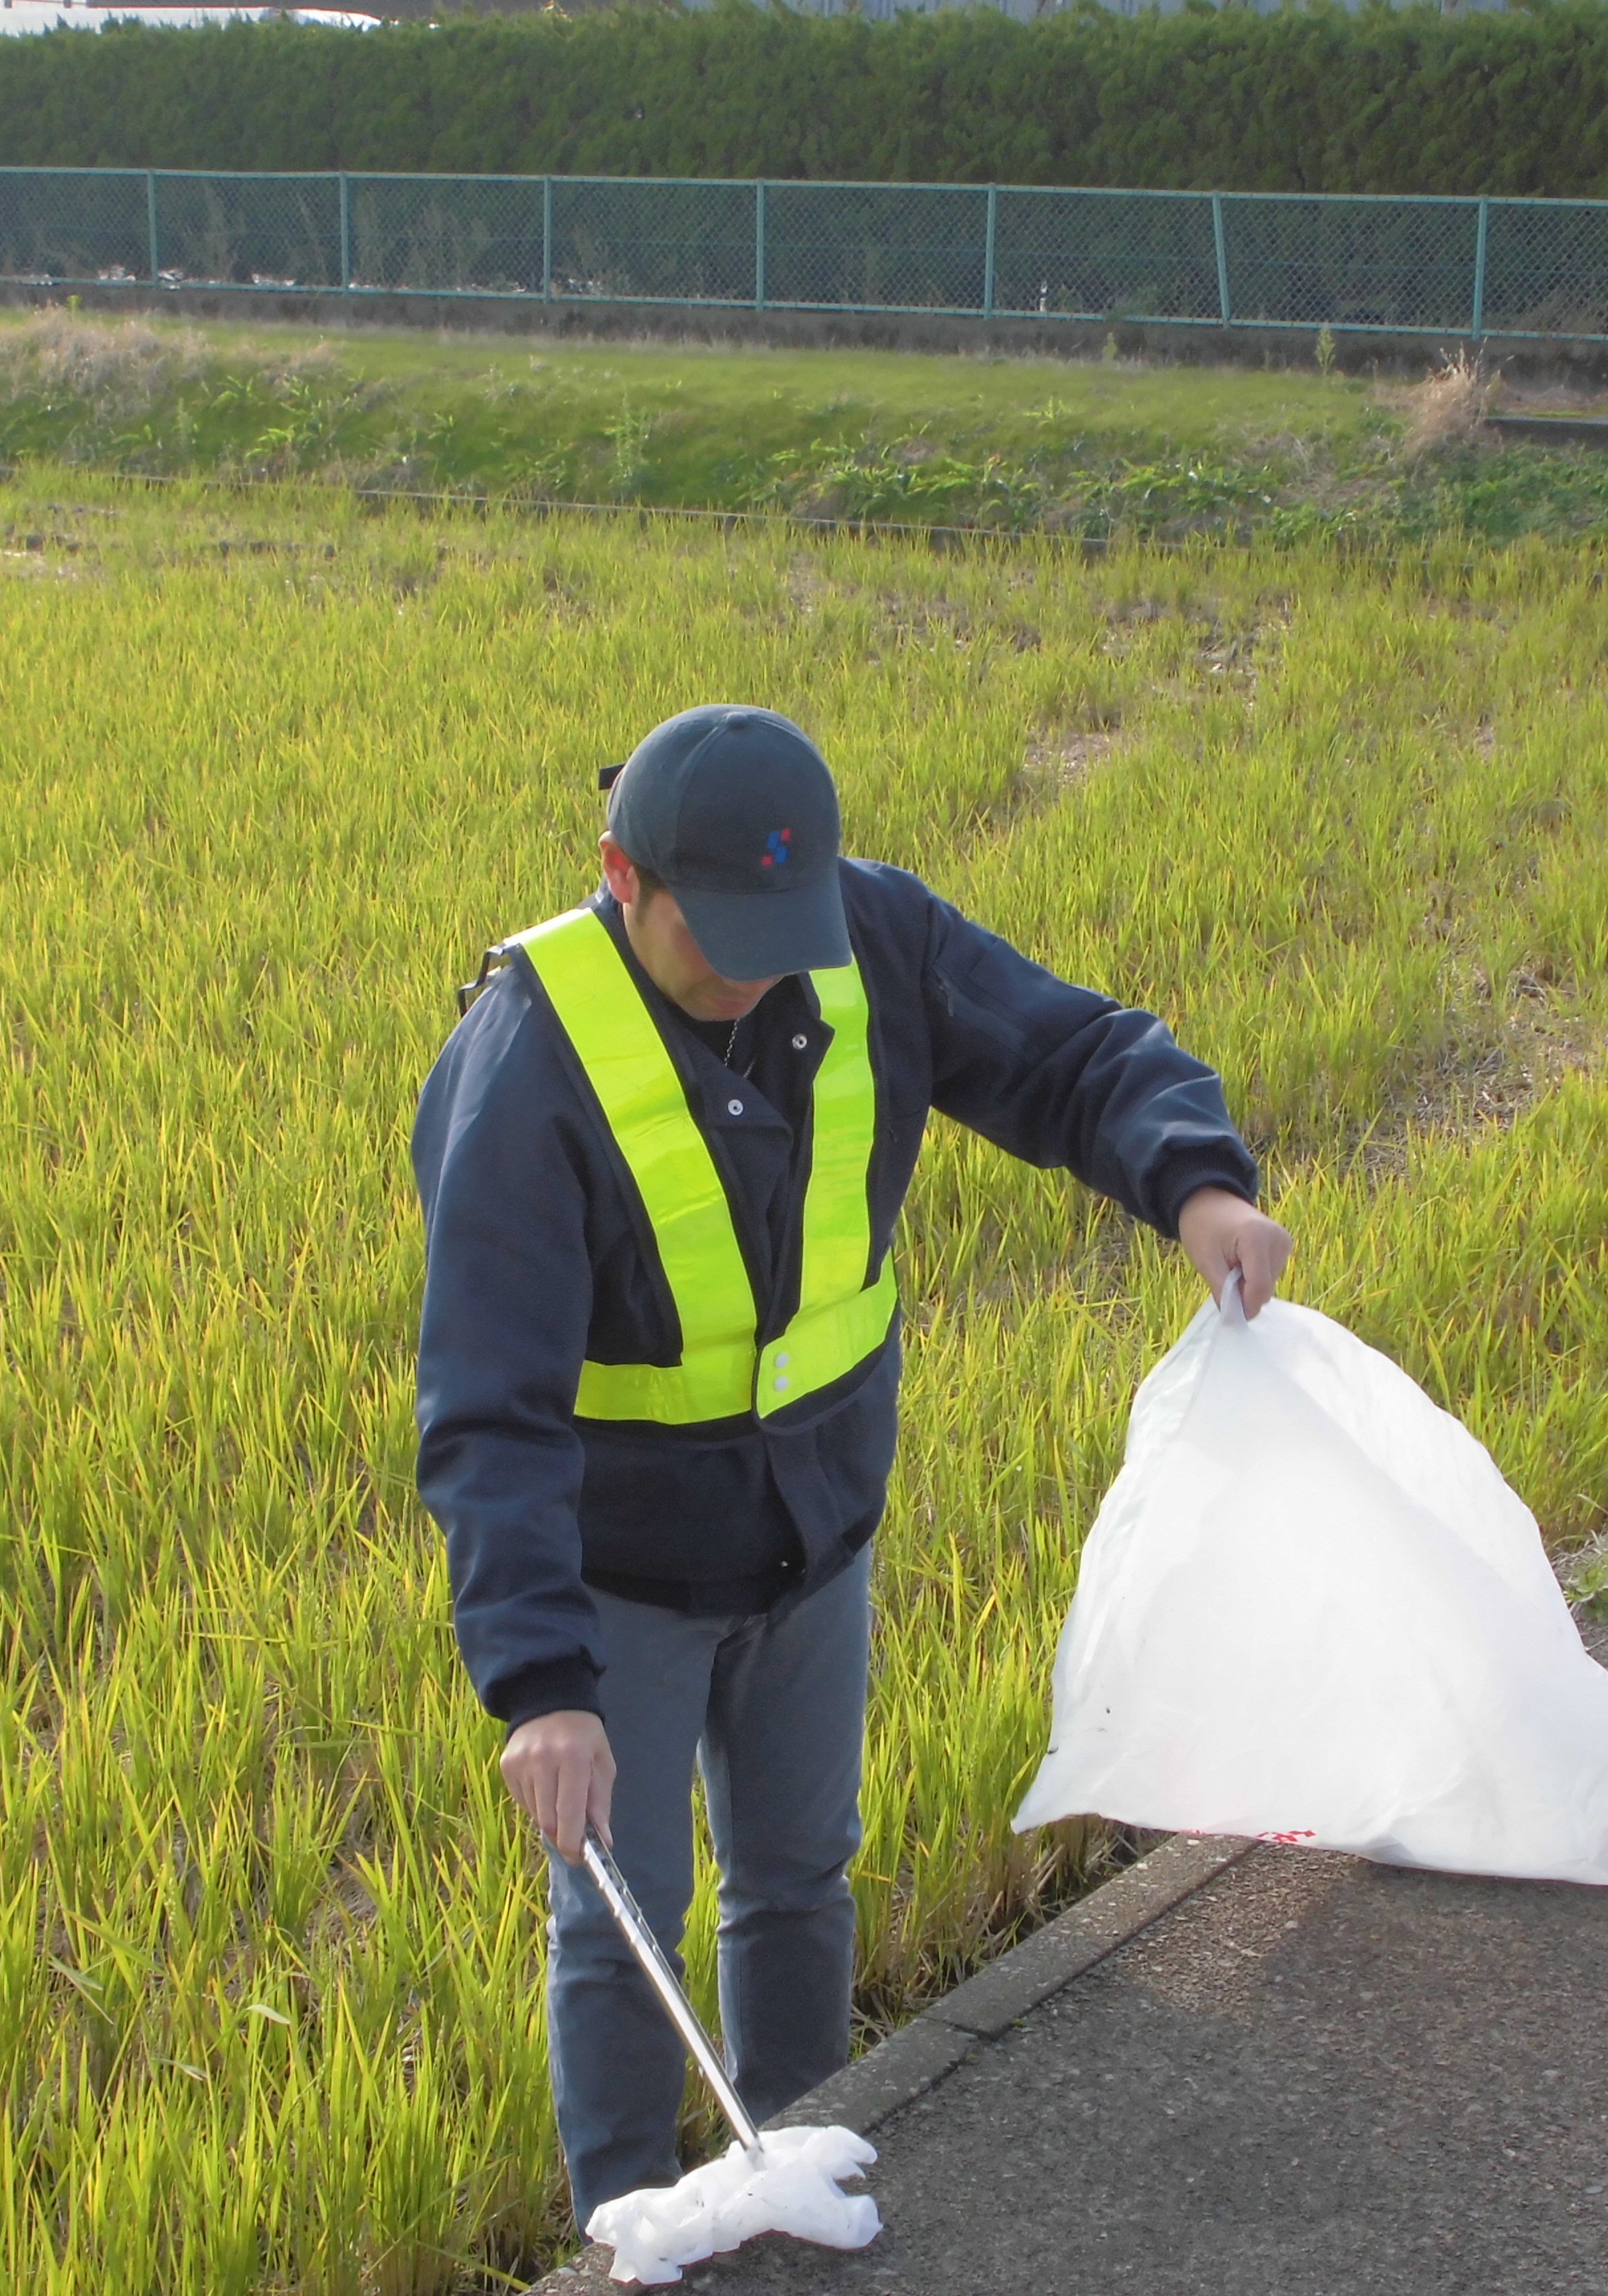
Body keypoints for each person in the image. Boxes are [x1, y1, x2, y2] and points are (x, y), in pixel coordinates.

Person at [410, 704, 1291, 2224]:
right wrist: (543, 1686)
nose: (756, 971)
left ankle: (805, 2163)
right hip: (621, 1579)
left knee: (801, 1878)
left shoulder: (867, 936)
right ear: (623, 875)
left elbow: (1072, 1053)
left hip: (816, 1535)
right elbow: (490, 1410)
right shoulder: (531, 1063)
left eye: (782, 932)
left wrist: (1194, 1183)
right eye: (719, 936)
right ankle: (637, 2227)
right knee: (623, 1926)